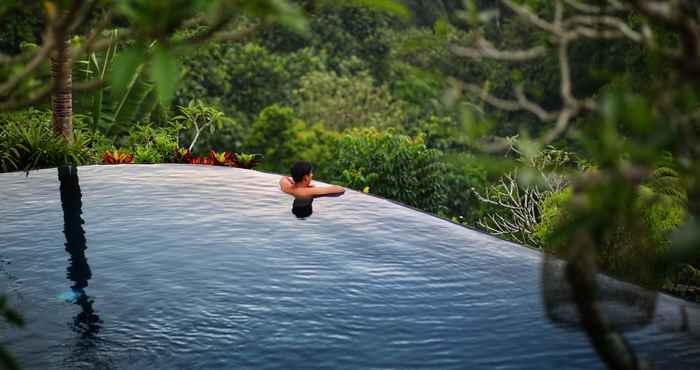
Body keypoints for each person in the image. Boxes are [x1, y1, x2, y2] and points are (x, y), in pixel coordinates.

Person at [279, 161, 345, 199]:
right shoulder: (307, 191)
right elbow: (340, 189)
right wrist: (311, 189)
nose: (312, 175)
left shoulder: (286, 186)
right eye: (310, 173)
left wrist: (297, 184)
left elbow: (284, 178)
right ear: (305, 177)